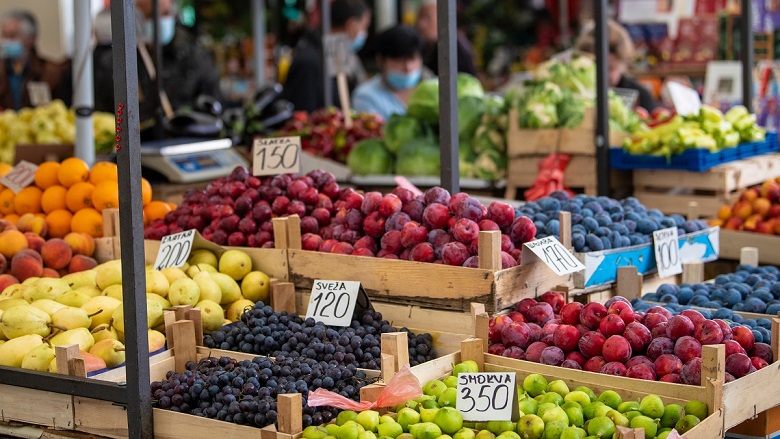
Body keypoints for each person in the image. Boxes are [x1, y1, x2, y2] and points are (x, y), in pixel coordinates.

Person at [93, 0, 221, 138]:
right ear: (135, 17)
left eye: (166, 13)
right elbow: (103, 115)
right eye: (151, 15)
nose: (160, 20)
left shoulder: (194, 56)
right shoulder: (116, 62)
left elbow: (213, 105)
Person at [280, 0, 371, 113]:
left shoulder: (338, 56)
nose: (365, 34)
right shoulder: (309, 63)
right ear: (351, 25)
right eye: (364, 27)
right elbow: (302, 117)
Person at [574, 19, 658, 111]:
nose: (602, 75)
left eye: (609, 68)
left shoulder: (640, 96)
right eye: (594, 67)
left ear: (623, 65)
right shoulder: (575, 96)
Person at [352, 25, 427, 121]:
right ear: (380, 61)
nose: (408, 67)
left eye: (412, 59)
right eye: (399, 60)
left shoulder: (437, 88)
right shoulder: (366, 96)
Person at [0, 10, 70, 110]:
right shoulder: (2, 70)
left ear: (31, 39)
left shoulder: (51, 73)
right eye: (4, 35)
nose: (7, 41)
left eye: (12, 35)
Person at [416, 0, 477, 77]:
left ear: (443, 20)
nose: (421, 24)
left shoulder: (456, 48)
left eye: (427, 18)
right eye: (419, 17)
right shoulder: (419, 46)